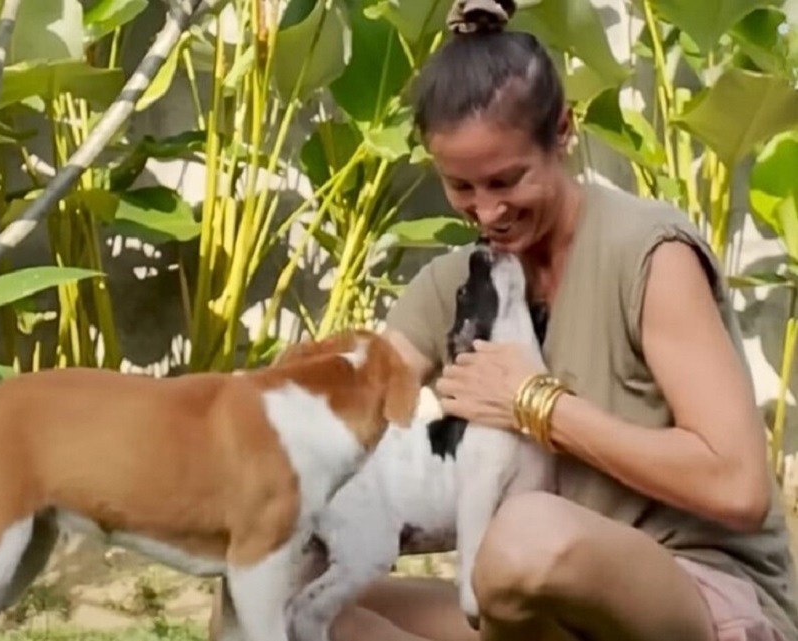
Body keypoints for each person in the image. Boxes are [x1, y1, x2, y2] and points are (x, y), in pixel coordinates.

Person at [206, 1, 798, 640]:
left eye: (506, 180)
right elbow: (354, 404)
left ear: (564, 130)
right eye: (461, 187)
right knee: (274, 604)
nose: (487, 212)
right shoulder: (458, 284)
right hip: (542, 618)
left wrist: (536, 403)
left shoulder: (650, 255)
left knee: (525, 538)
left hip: (691, 596)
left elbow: (737, 487)